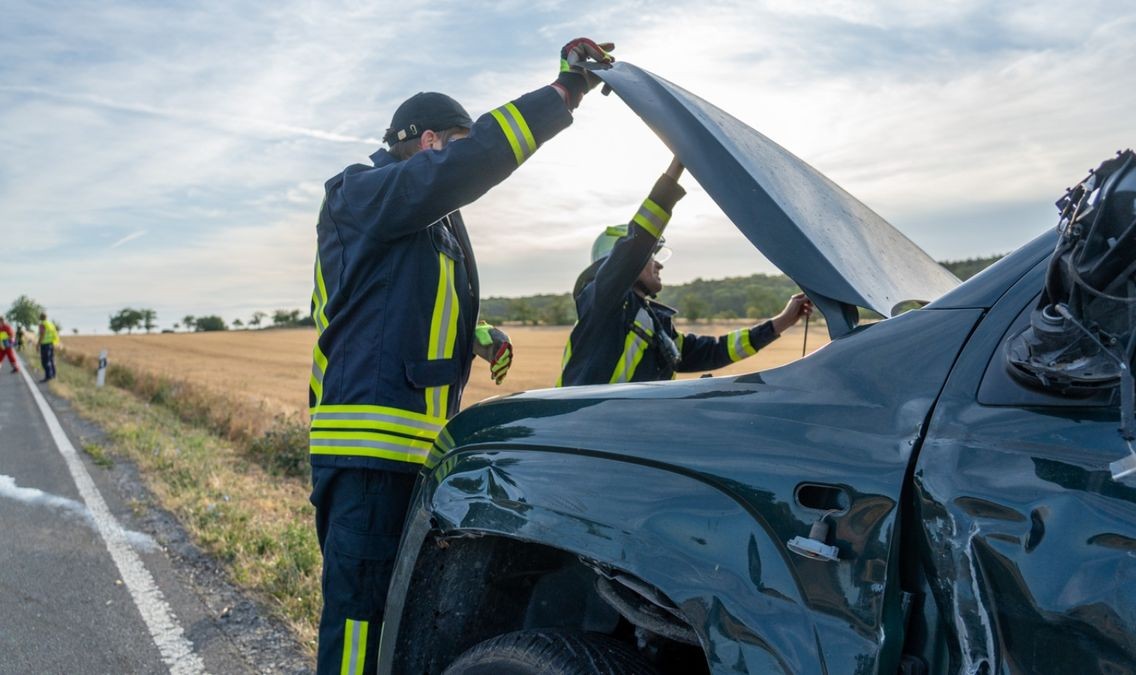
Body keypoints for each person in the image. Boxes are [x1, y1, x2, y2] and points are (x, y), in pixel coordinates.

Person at [306, 38, 615, 674]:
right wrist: (561, 96)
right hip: (368, 449)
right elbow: (463, 169)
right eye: (457, 142)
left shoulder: (421, 222)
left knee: (395, 616)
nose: (459, 158)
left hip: (410, 454)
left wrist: (478, 332)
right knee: (361, 620)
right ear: (427, 143)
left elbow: (403, 298)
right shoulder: (359, 192)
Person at [558, 159, 814, 387]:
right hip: (578, 434)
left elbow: (714, 351)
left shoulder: (657, 327)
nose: (659, 265)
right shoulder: (602, 302)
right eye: (651, 257)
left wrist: (782, 321)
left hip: (620, 435)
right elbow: (635, 245)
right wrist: (676, 168)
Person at [37, 312, 59, 382]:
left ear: (40, 317)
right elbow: (55, 333)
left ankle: (48, 376)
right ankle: (53, 375)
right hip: (51, 343)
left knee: (45, 361)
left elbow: (42, 334)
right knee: (51, 360)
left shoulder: (42, 324)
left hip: (44, 344)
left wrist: (38, 344)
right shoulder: (50, 324)